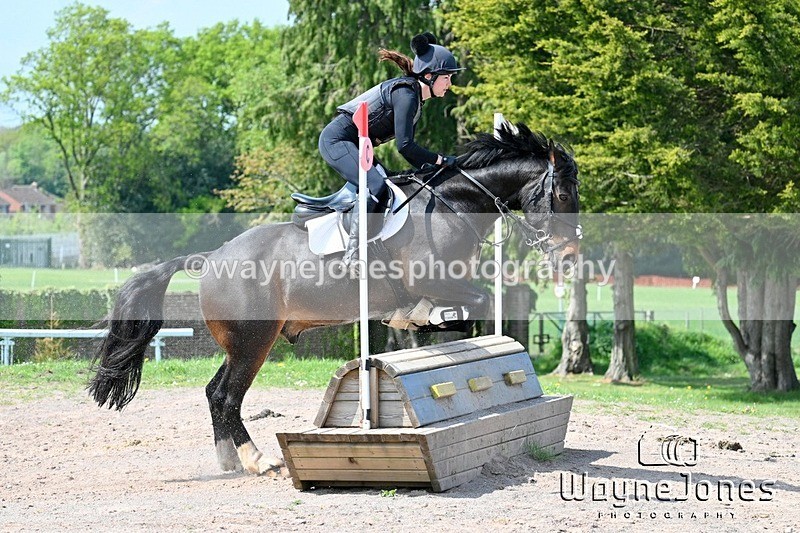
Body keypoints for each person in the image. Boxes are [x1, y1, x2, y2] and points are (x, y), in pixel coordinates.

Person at [318, 31, 464, 267]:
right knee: (376, 186)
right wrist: (441, 161)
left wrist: (434, 165)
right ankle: (353, 254)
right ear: (429, 76)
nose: (450, 84)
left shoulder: (414, 96)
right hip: (337, 142)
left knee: (391, 184)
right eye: (446, 77)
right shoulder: (406, 94)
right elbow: (405, 146)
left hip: (355, 145)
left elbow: (409, 149)